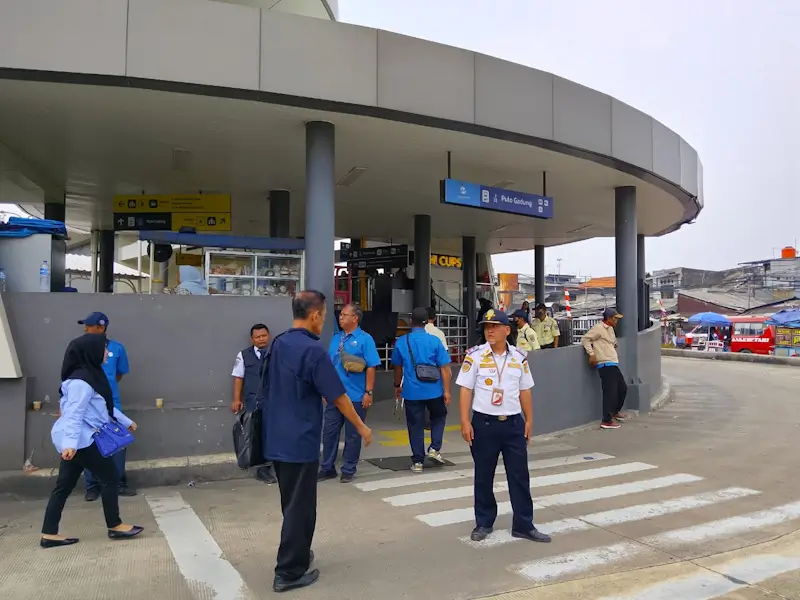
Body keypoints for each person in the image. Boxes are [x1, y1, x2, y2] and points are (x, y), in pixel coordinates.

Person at [262, 290, 372, 593]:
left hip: (278, 438)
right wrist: (361, 427)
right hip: (300, 440)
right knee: (302, 509)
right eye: (324, 315)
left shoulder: (280, 342)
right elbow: (338, 397)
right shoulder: (313, 351)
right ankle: (289, 572)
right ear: (314, 315)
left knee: (291, 504)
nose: (325, 322)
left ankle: (296, 554)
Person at [455, 309, 551, 544]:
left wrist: (529, 420)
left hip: (513, 424)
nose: (489, 330)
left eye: (494, 326)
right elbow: (465, 390)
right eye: (486, 326)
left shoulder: (519, 357)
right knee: (483, 476)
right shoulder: (475, 356)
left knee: (519, 476)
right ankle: (484, 522)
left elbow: (524, 390)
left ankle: (524, 525)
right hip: (484, 424)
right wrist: (465, 421)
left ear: (507, 330)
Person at [40, 333, 144, 548]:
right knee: (110, 477)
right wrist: (70, 444)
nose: (107, 353)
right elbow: (74, 415)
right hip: (81, 442)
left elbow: (102, 406)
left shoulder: (85, 377)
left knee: (63, 487)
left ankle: (49, 533)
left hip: (76, 442)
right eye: (104, 349)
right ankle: (114, 526)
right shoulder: (82, 383)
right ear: (92, 351)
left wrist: (125, 421)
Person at [319, 303, 380, 483]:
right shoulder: (336, 338)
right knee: (329, 431)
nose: (341, 317)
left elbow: (371, 367)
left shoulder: (365, 339)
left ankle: (348, 469)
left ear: (355, 318)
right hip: (334, 395)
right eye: (341, 315)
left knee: (353, 434)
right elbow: (328, 365)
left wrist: (368, 392)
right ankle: (327, 467)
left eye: (345, 315)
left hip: (355, 395)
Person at [78, 312, 134, 500]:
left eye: (89, 325)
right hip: (87, 407)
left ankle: (118, 483)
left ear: (101, 328)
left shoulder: (117, 349)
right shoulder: (80, 348)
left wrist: (106, 388)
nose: (86, 329)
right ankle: (92, 486)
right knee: (89, 445)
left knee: (117, 445)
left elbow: (119, 374)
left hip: (111, 406)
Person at [392, 306, 452, 473]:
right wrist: (446, 391)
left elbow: (397, 367)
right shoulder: (434, 341)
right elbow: (445, 369)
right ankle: (434, 449)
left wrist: (397, 386)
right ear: (427, 322)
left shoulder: (402, 341)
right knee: (439, 416)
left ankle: (418, 461)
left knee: (415, 425)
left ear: (411, 321)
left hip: (412, 392)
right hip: (434, 391)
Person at [231, 323, 276, 484]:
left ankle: (273, 464)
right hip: (253, 402)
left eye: (264, 336)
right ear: (252, 339)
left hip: (273, 401)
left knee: (272, 434)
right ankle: (262, 469)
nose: (261, 339)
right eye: (257, 337)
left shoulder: (276, 353)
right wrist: (237, 399)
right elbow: (238, 377)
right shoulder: (243, 355)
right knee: (255, 435)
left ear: (268, 336)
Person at [582, 308, 628, 430]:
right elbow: (586, 339)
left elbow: (612, 342)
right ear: (608, 318)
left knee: (622, 388)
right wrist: (591, 354)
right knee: (610, 392)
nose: (616, 321)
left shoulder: (611, 330)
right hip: (605, 364)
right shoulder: (598, 328)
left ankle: (615, 411)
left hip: (613, 362)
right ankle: (606, 420)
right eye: (615, 318)